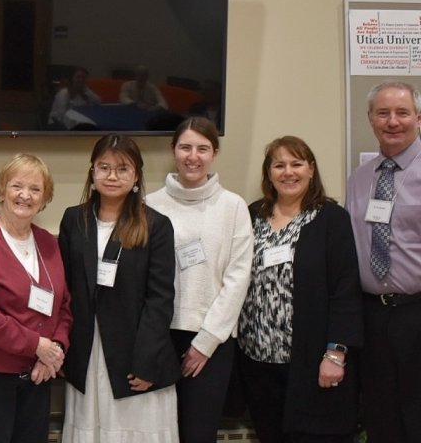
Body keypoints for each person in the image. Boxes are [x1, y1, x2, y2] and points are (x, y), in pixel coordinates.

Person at [238, 136, 362, 443]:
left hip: (310, 362)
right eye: (279, 165)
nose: (288, 172)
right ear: (269, 173)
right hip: (257, 361)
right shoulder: (252, 216)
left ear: (311, 169)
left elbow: (345, 290)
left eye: (296, 164)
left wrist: (335, 354)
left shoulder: (332, 219)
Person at [59, 134, 180, 443]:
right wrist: (62, 349)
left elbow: (161, 299)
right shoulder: (75, 219)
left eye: (122, 168)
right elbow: (64, 290)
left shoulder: (156, 225)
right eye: (104, 167)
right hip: (86, 353)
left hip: (135, 354)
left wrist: (146, 361)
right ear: (92, 171)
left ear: (136, 175)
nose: (112, 176)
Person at [146, 117, 253, 443]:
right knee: (158, 433)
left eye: (202, 148)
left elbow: (238, 277)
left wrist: (206, 342)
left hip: (212, 341)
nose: (193, 156)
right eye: (186, 147)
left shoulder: (232, 206)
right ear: (173, 150)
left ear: (214, 153)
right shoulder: (150, 204)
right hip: (159, 337)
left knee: (197, 433)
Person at [0, 154, 72, 443]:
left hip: (39, 373)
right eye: (17, 186)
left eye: (35, 189)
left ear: (45, 198)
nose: (25, 196)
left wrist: (54, 351)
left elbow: (64, 306)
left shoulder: (48, 243)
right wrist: (37, 345)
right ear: (2, 190)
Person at [345, 81, 421, 443]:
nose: (393, 121)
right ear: (370, 119)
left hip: (416, 312)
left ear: (418, 118)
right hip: (372, 316)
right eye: (383, 113)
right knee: (381, 414)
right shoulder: (359, 179)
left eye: (402, 113)